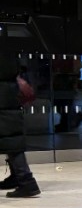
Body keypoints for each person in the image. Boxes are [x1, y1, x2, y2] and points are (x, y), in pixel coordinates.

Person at [1, 61, 39, 198]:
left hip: (4, 103)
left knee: (11, 142)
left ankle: (26, 182)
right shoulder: (8, 48)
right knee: (11, 141)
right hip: (9, 99)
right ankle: (19, 178)